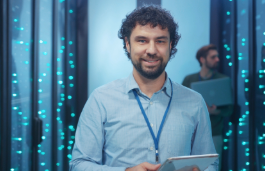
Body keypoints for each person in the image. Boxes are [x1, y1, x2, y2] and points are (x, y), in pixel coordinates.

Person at [70, 6, 218, 171]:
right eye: (142, 40)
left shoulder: (195, 101)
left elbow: (210, 163)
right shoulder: (101, 99)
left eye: (160, 41)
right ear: (127, 44)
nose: (152, 50)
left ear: (171, 45)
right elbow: (78, 165)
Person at [182, 44, 233, 171]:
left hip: (214, 133)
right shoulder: (189, 80)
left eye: (217, 57)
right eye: (213, 57)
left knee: (212, 168)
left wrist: (216, 111)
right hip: (190, 134)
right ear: (202, 59)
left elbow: (230, 109)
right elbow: (180, 106)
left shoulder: (222, 80)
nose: (217, 59)